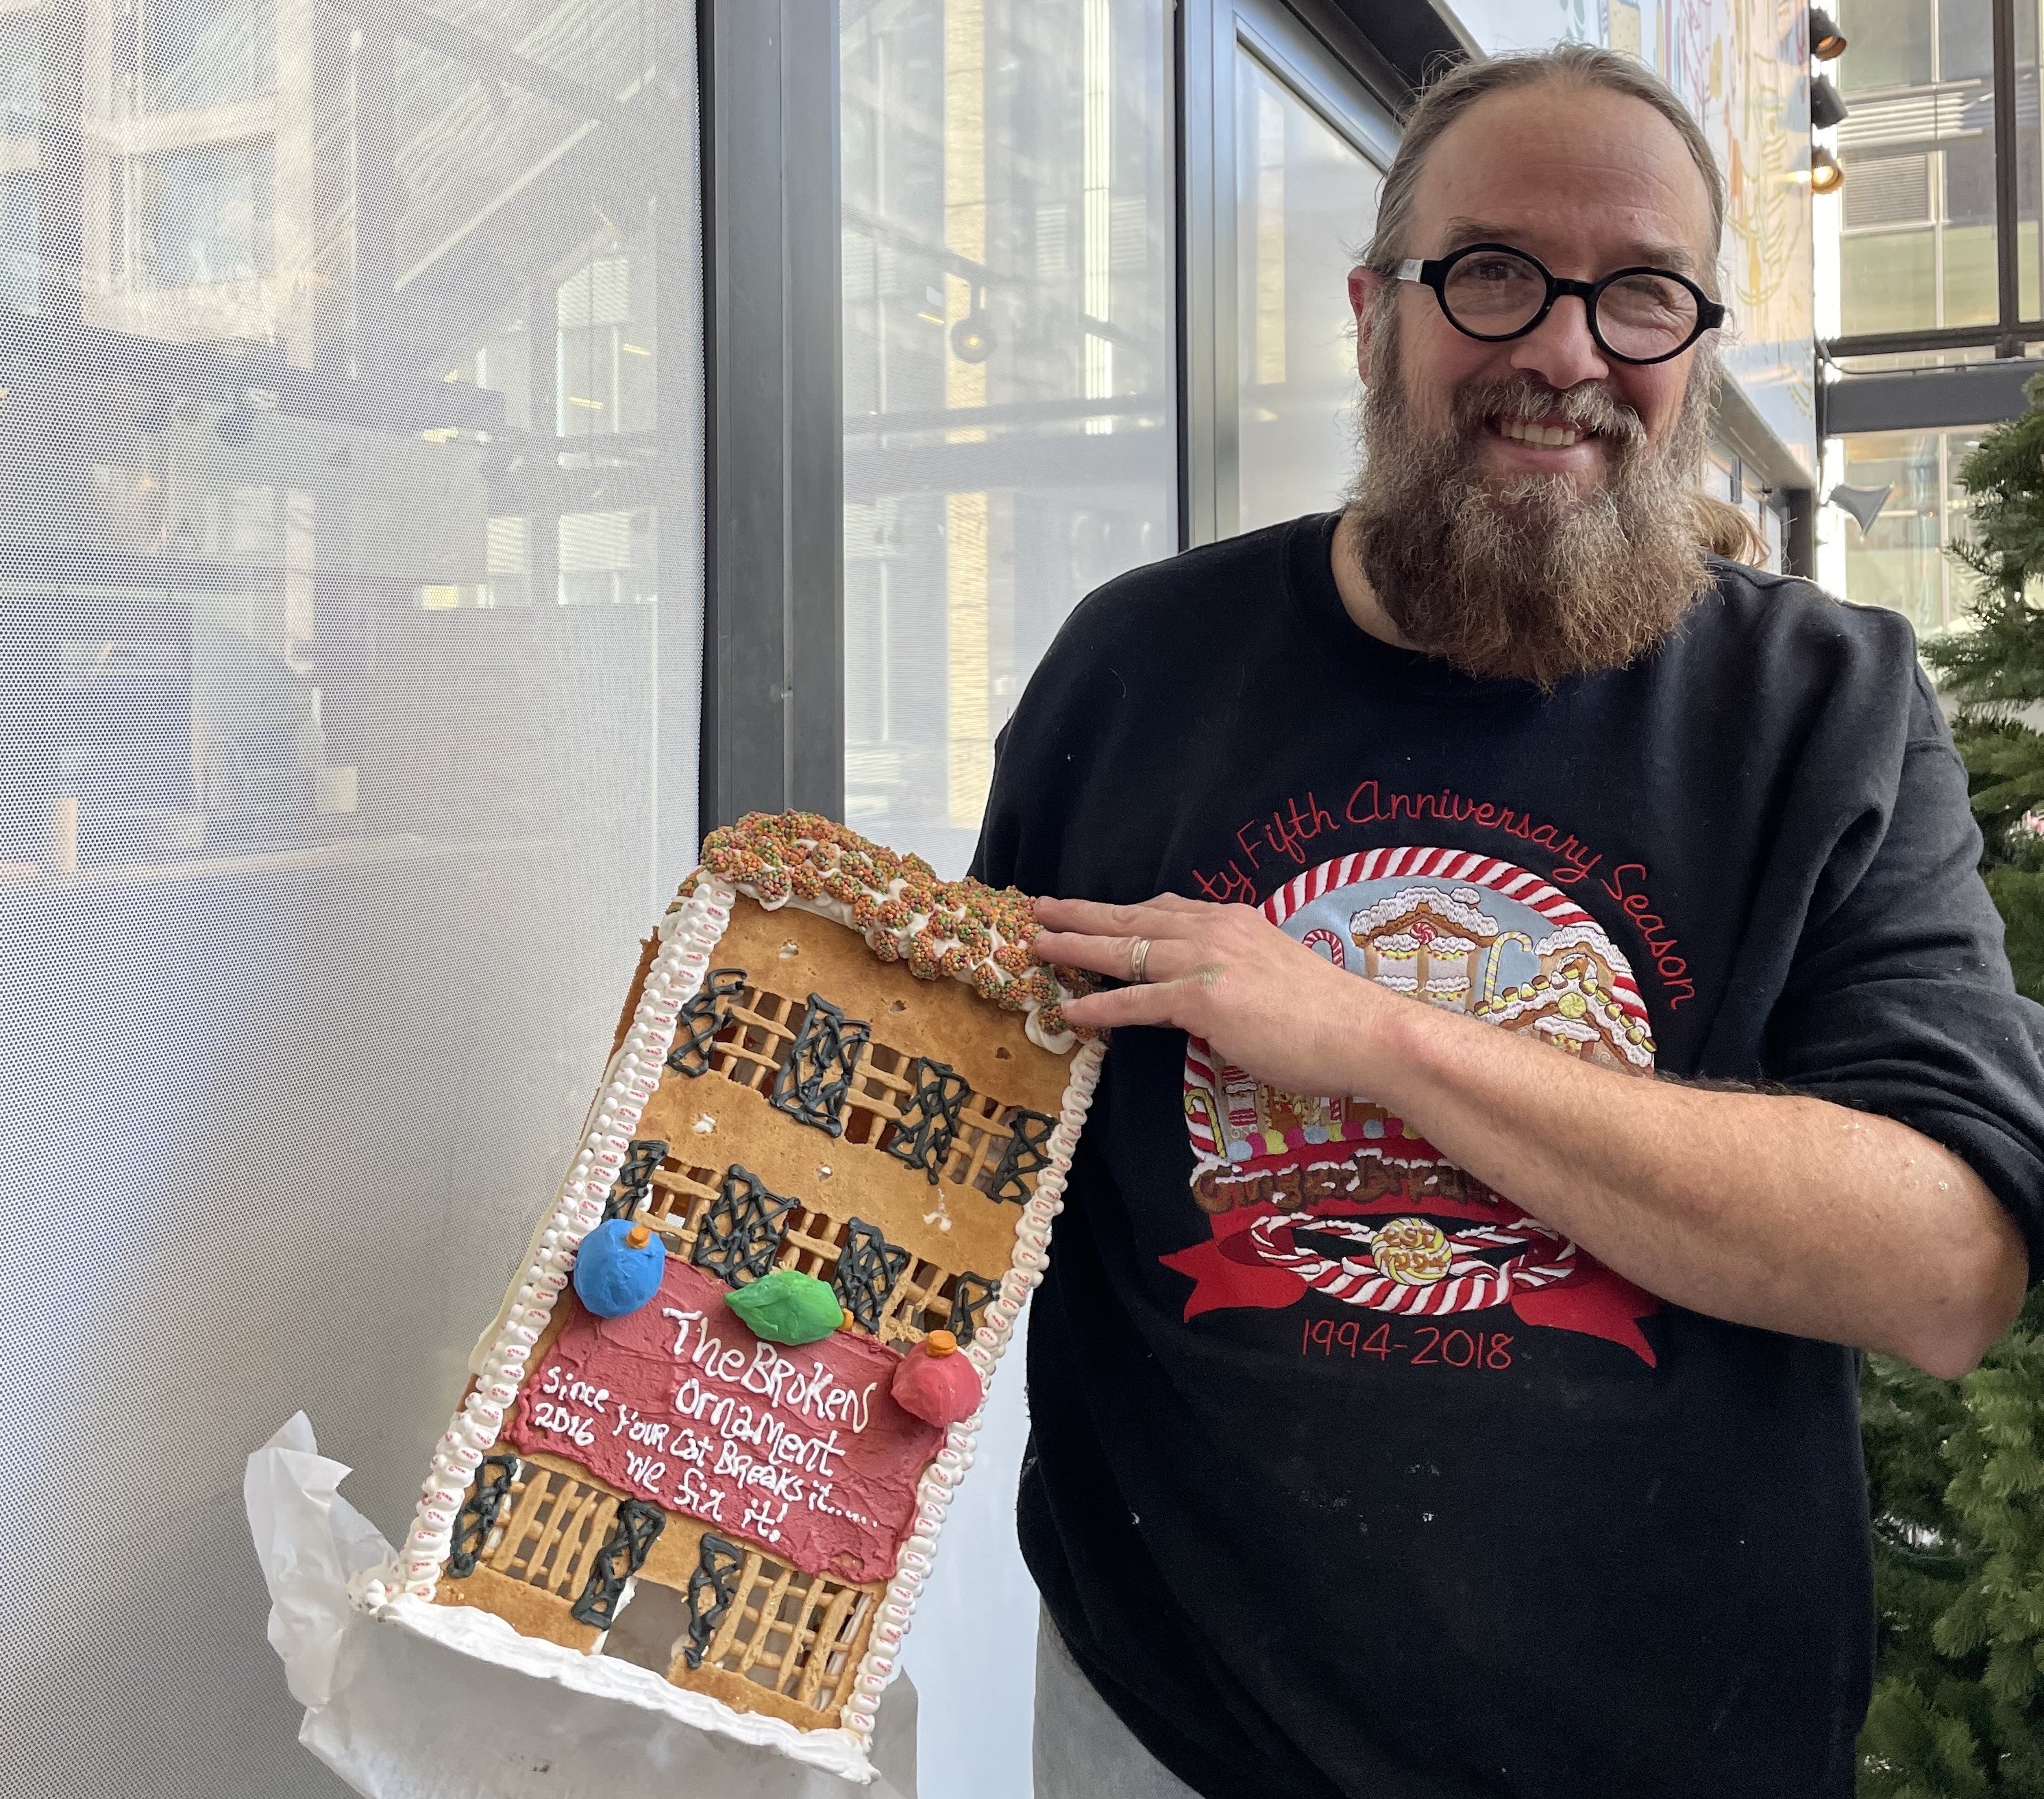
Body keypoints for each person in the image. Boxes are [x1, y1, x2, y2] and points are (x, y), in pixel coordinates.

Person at [972, 43, 2044, 1799]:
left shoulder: (1822, 702)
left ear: (1693, 345)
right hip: (1164, 1723)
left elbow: (1940, 1266)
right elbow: (975, 1110)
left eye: (1638, 295)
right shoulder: (1136, 659)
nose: (1564, 350)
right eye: (1492, 274)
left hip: (1672, 1739)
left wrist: (1375, 1035)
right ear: (1373, 311)